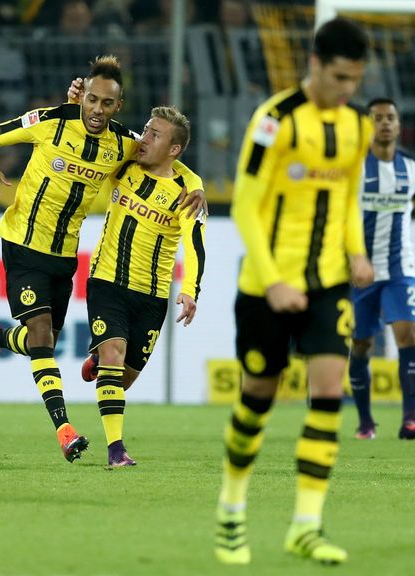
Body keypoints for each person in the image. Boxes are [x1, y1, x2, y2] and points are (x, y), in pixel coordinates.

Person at [0, 55, 205, 462]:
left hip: (64, 257)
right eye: (91, 100)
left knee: (45, 343)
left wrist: (197, 186)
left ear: (118, 106)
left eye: (106, 103)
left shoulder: (124, 145)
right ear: (82, 96)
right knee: (43, 337)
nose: (97, 110)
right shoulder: (51, 120)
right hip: (23, 243)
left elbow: (165, 154)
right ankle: (65, 431)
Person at [214, 18, 374, 566]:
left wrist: (356, 251)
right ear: (314, 64)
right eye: (339, 77)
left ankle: (306, 524)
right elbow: (245, 207)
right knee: (257, 398)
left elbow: (349, 198)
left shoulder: (358, 126)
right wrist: (274, 279)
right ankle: (232, 510)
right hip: (266, 286)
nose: (347, 89)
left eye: (355, 79)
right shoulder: (273, 122)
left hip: (328, 281)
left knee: (329, 390)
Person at [83, 106, 205, 466]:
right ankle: (116, 450)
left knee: (122, 381)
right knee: (113, 356)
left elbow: (194, 244)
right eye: (146, 129)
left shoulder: (186, 192)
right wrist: (78, 101)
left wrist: (190, 289)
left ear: (174, 150)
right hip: (106, 281)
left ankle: (99, 360)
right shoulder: (123, 164)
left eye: (155, 134)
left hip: (151, 297)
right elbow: (95, 128)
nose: (144, 138)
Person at [349, 97, 415, 440]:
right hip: (362, 272)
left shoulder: (411, 169)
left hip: (400, 268)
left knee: (408, 336)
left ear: (398, 123)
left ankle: (410, 420)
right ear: (368, 125)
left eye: (390, 117)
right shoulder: (355, 169)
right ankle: (365, 422)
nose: (385, 123)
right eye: (377, 118)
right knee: (361, 344)